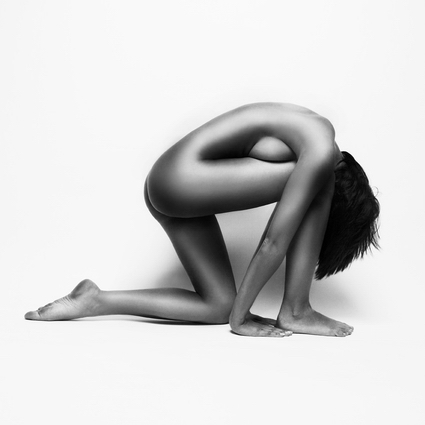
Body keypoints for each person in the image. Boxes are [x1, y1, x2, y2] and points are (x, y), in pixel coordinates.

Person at [24, 103, 380, 337]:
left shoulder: (310, 130)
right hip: (178, 182)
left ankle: (95, 299)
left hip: (172, 189)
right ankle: (296, 310)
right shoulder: (321, 149)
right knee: (319, 180)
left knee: (218, 304)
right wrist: (241, 318)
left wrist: (233, 310)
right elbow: (275, 239)